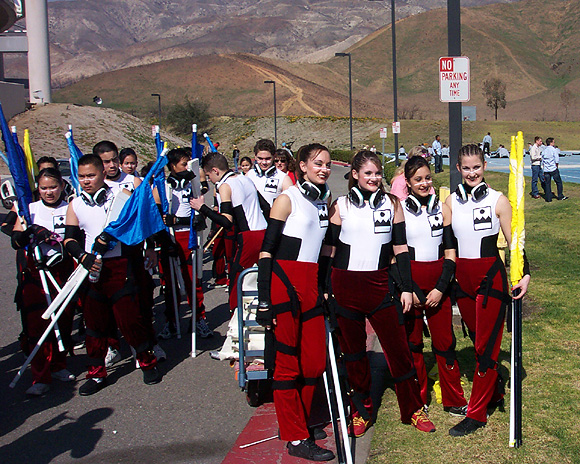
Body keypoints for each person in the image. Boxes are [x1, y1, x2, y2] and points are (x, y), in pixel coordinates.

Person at [322, 150, 436, 440]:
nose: (374, 178)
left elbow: (400, 249)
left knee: (398, 351)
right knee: (354, 354)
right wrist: (323, 288)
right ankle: (362, 410)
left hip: (380, 285)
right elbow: (329, 250)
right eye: (368, 173)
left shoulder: (392, 203)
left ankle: (413, 409)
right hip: (345, 286)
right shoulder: (341, 206)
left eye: (377, 173)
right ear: (355, 175)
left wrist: (407, 287)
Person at [256, 143, 335, 461]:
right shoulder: (287, 199)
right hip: (284, 285)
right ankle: (296, 436)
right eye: (318, 163)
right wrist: (264, 301)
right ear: (302, 166)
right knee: (287, 364)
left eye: (327, 164)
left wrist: (325, 286)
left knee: (314, 361)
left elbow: (325, 249)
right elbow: (266, 251)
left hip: (311, 284)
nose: (324, 169)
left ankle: (302, 419)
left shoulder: (323, 200)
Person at [446, 143, 530, 436]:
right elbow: (447, 243)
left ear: (485, 166)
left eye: (477, 167)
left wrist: (524, 273)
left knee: (485, 346)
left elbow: (514, 240)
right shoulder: (451, 202)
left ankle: (476, 414)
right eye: (466, 168)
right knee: (477, 339)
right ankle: (494, 391)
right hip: (462, 281)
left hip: (489, 279)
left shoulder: (498, 200)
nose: (472, 173)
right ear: (459, 169)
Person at [64, 154, 161, 396]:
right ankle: (96, 373)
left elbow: (140, 225)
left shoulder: (122, 197)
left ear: (102, 174)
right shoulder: (75, 204)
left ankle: (147, 363)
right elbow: (69, 239)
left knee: (130, 321)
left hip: (120, 267)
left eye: (91, 175)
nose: (86, 181)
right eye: (82, 176)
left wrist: (150, 247)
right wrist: (82, 256)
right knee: (94, 326)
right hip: (92, 269)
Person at [402, 156, 467, 415]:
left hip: (439, 285)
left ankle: (453, 398)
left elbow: (450, 252)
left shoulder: (443, 209)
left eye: (427, 178)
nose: (424, 183)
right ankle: (418, 398)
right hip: (411, 285)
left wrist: (441, 288)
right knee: (414, 343)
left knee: (445, 342)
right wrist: (411, 289)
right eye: (418, 179)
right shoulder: (399, 209)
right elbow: (395, 254)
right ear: (408, 182)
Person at [7, 168, 76, 396]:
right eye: (44, 188)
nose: (49, 192)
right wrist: (28, 232)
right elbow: (16, 241)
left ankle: (58, 365)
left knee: (63, 319)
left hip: (62, 270)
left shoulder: (70, 207)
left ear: (62, 186)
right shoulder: (30, 209)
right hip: (36, 272)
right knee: (38, 324)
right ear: (38, 188)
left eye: (53, 187)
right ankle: (40, 375)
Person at [191, 151, 267, 313]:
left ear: (215, 171)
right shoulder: (245, 178)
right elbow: (266, 207)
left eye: (209, 176)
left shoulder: (225, 186)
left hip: (249, 236)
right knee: (260, 277)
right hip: (263, 231)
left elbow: (226, 221)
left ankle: (237, 314)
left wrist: (202, 208)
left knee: (236, 279)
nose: (210, 180)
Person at [159, 148, 210, 338]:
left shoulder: (193, 185)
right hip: (171, 238)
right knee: (170, 283)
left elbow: (201, 211)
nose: (187, 167)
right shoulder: (163, 187)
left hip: (190, 236)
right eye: (183, 164)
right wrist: (166, 236)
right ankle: (171, 321)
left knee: (193, 281)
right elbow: (158, 217)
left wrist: (193, 219)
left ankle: (198, 318)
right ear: (173, 166)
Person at [246, 139, 293, 215]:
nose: (264, 162)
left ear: (274, 156)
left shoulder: (284, 178)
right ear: (255, 157)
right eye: (260, 158)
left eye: (268, 159)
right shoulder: (249, 175)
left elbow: (292, 204)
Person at [542, 137, 568, 202]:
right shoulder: (553, 150)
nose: (554, 143)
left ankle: (548, 198)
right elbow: (556, 160)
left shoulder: (544, 150)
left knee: (547, 184)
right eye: (553, 142)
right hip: (553, 168)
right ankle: (560, 196)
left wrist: (544, 169)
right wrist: (556, 167)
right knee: (558, 182)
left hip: (546, 169)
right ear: (551, 143)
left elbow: (542, 161)